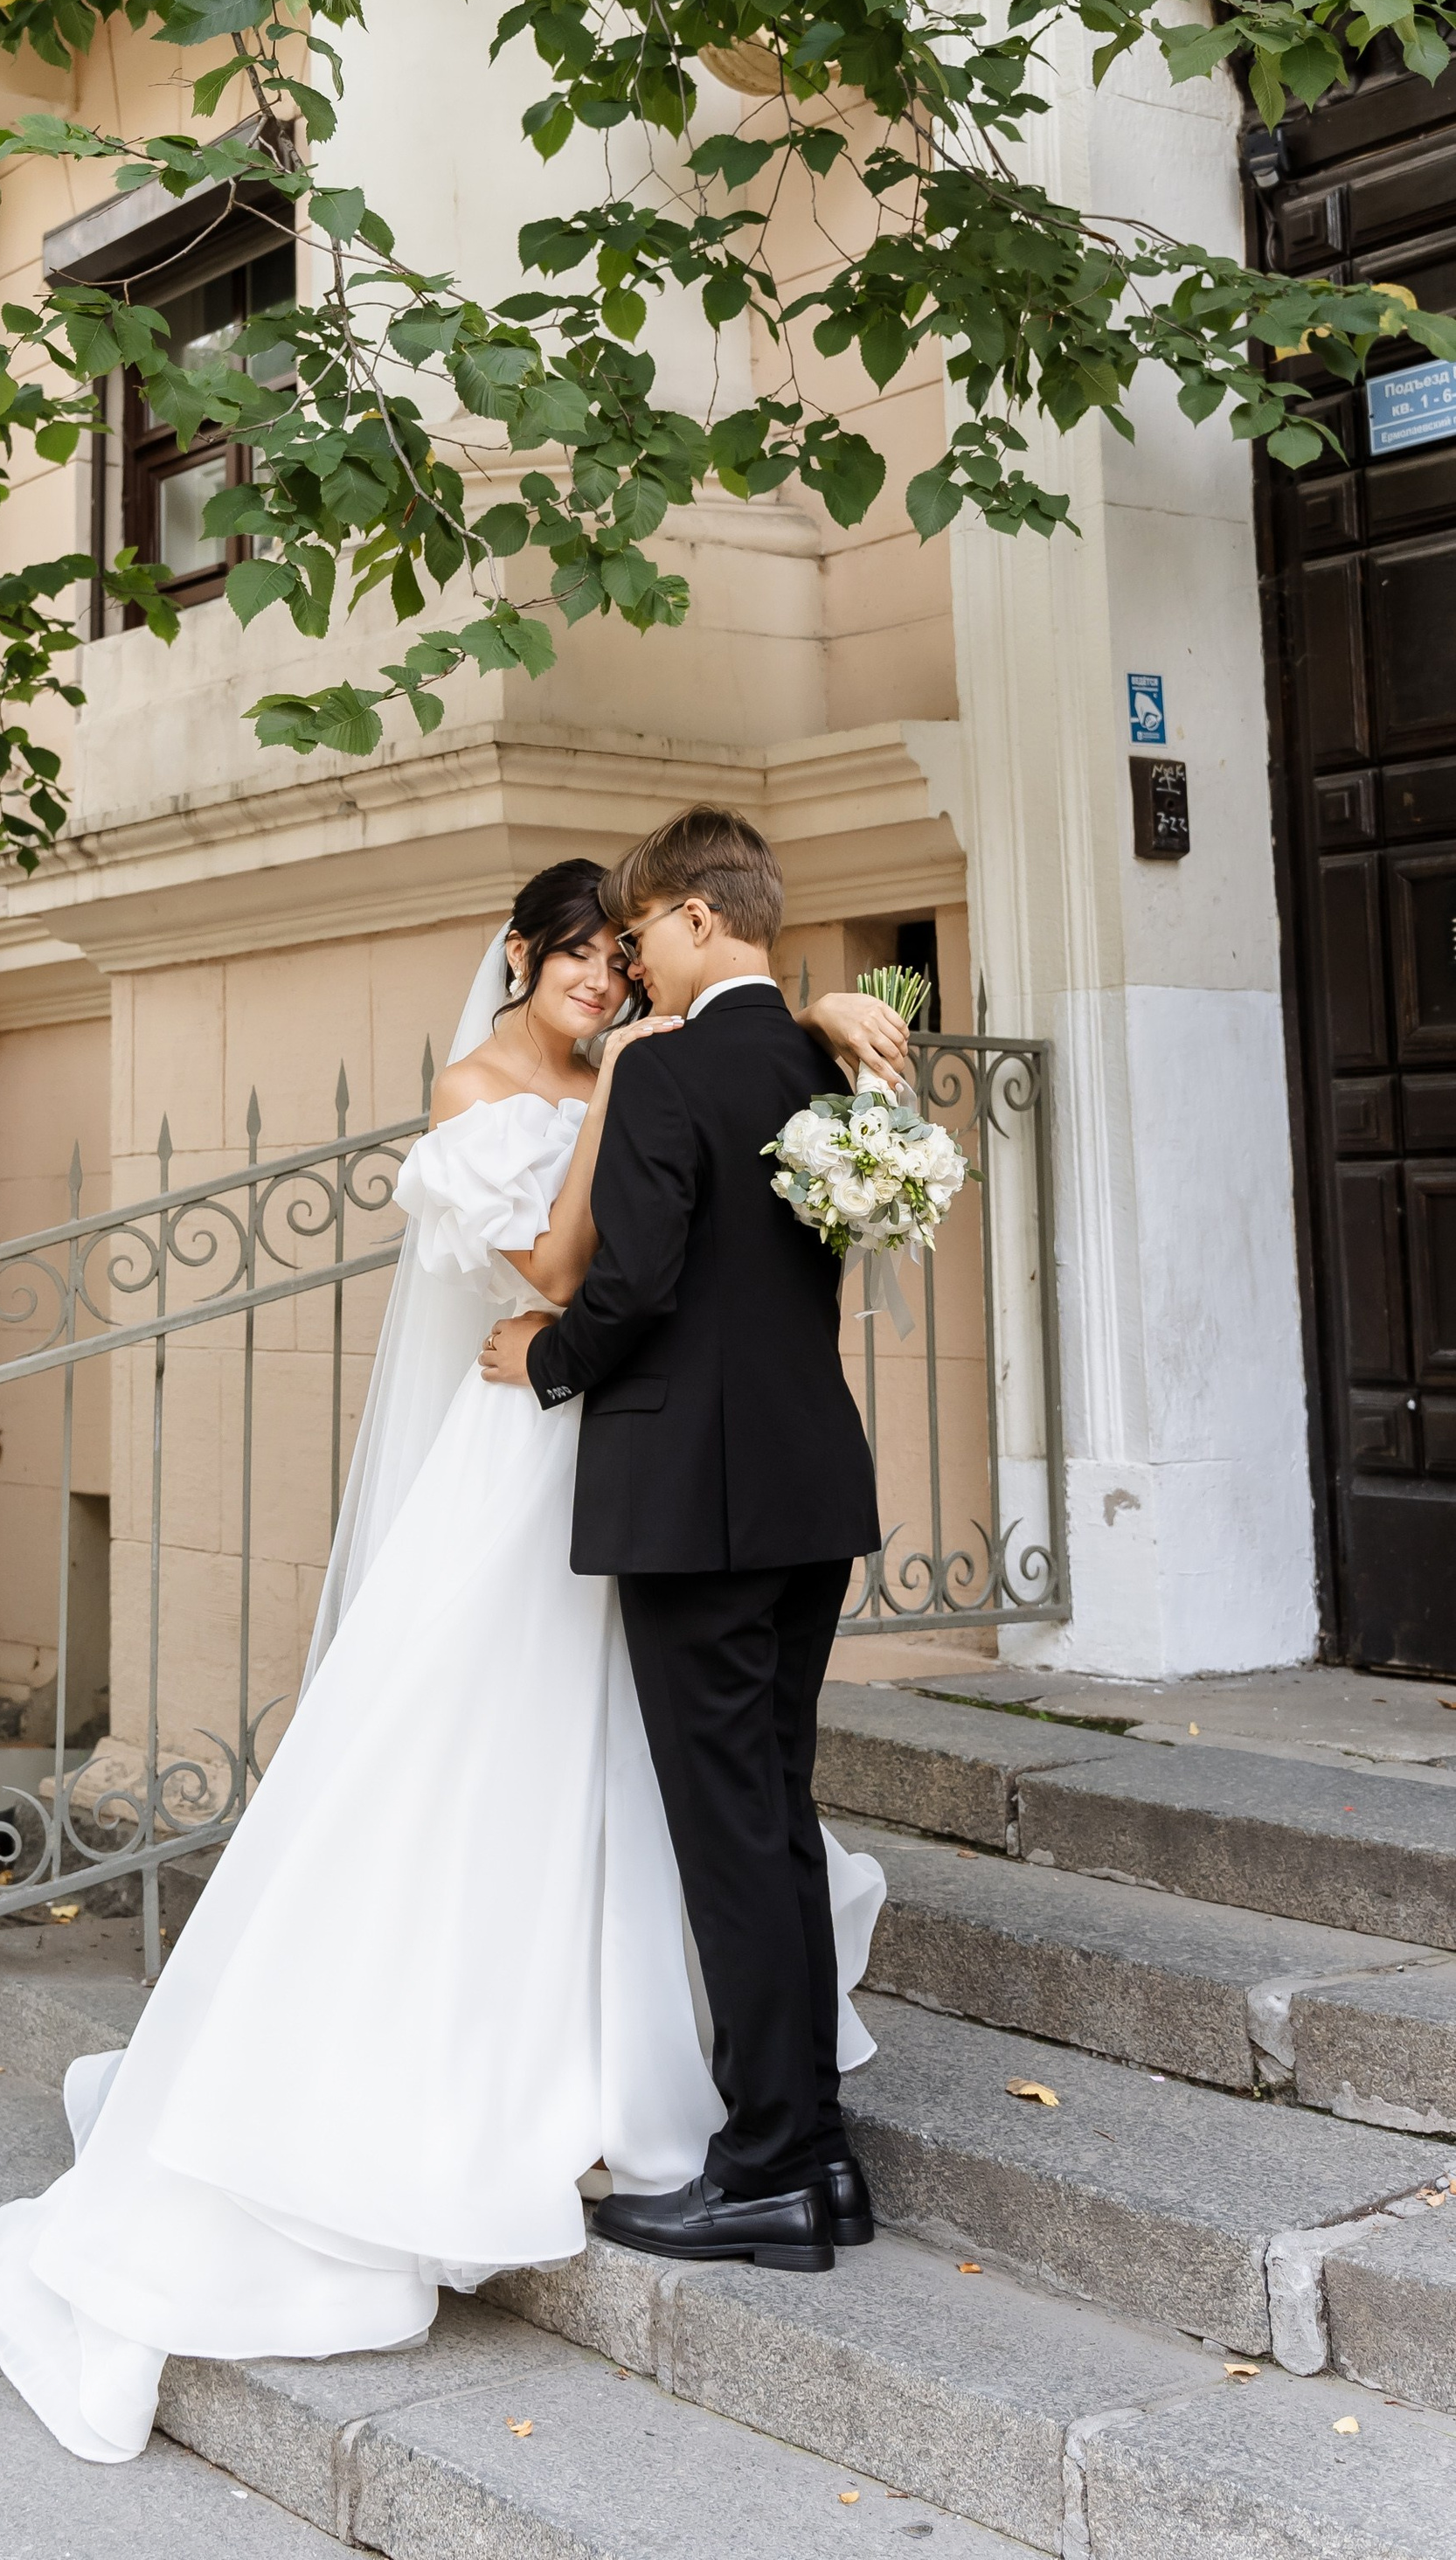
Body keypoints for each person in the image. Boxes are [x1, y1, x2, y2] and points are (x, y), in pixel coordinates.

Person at [0, 859, 904, 2463]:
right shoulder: (490, 1089)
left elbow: (641, 1257)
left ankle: (749, 2131)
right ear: (522, 962)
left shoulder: (700, 1058)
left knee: (695, 1794)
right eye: (582, 959)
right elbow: (550, 1269)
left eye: (625, 955)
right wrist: (641, 1084)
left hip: (635, 1455)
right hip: (540, 1461)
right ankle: (724, 2130)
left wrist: (761, 1023)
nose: (604, 980)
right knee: (526, 1765)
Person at [481, 808, 888, 2271]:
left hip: (698, 1511)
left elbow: (637, 1282)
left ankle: (770, 2164)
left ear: (700, 922)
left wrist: (545, 1357)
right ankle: (819, 2158)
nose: (634, 962)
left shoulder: (668, 1070)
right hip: (808, 1494)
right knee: (776, 1818)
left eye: (641, 930)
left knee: (731, 1842)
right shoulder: (826, 1060)